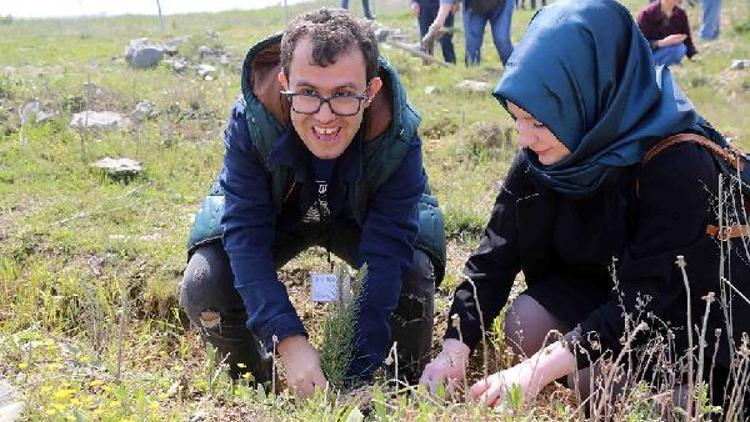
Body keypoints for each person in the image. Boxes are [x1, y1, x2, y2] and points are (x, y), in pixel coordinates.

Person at [420, 0, 750, 410]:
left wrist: (537, 369)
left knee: (667, 402)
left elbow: (649, 299)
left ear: (595, 93)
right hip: (604, 299)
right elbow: (495, 254)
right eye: (516, 117)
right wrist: (456, 346)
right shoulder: (542, 154)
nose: (524, 138)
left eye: (539, 121)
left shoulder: (677, 160)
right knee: (529, 324)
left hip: (691, 321)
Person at [180, 8, 446, 398]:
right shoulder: (253, 121)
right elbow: (245, 236)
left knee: (413, 275)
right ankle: (260, 385)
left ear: (370, 92)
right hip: (281, 217)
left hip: (355, 218)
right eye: (307, 93)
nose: (325, 116)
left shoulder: (396, 133)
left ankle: (395, 388)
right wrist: (287, 339)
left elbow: (387, 251)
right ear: (286, 84)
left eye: (343, 94)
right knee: (207, 282)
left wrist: (355, 370)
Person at [637, 0, 698, 67]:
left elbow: (687, 39)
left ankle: (661, 68)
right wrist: (661, 43)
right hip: (645, 57)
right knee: (678, 49)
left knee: (680, 48)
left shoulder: (681, 14)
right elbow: (638, 45)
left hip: (668, 52)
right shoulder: (647, 14)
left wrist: (692, 54)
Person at [462, 0, 515, 66]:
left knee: (502, 41)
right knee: (472, 45)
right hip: (474, 6)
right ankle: (472, 72)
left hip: (502, 4)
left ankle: (513, 70)